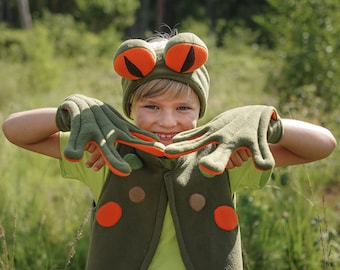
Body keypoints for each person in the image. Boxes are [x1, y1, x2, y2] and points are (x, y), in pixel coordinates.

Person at [2, 31, 336, 270]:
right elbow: (15, 130)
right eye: (151, 106)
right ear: (130, 108)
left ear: (200, 111)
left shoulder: (221, 156)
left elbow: (323, 144)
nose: (167, 121)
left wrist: (267, 123)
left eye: (183, 109)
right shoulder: (105, 153)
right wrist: (72, 115)